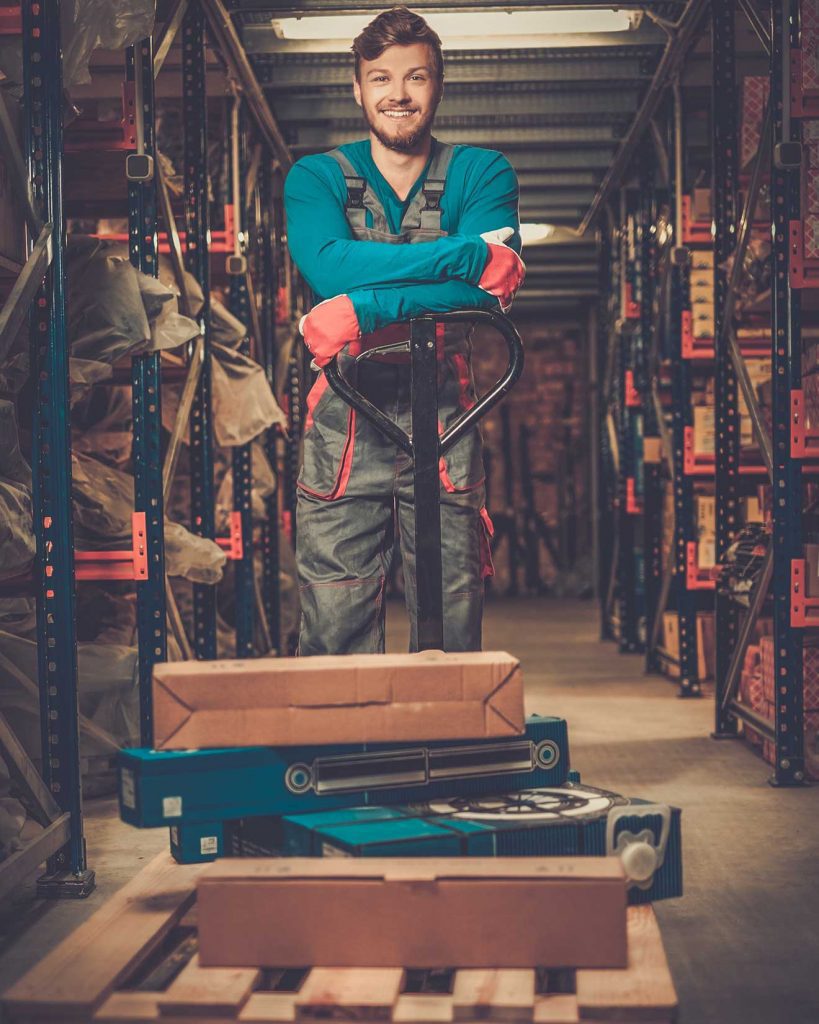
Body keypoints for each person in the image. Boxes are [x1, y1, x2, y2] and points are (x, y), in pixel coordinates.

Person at [284, 5, 525, 656]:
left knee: (449, 626)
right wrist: (465, 256)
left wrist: (358, 307)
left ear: (438, 84)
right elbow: (325, 264)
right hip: (344, 421)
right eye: (381, 78)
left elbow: (488, 299)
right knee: (333, 630)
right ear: (356, 88)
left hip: (446, 416)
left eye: (415, 77)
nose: (397, 94)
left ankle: (444, 756)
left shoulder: (482, 172)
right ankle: (342, 760)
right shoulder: (316, 177)